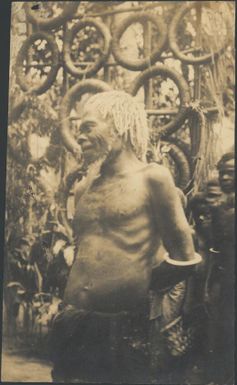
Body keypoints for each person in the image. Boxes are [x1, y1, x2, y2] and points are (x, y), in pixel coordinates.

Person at [50, 91, 201, 383]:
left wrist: (135, 290)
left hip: (123, 326)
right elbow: (87, 250)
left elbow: (186, 259)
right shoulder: (84, 186)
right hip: (72, 320)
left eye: (88, 126)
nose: (79, 135)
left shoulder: (152, 178)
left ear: (118, 126)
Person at [204, 152, 235, 384]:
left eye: (230, 173)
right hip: (225, 273)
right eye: (222, 172)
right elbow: (214, 244)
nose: (225, 177)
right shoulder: (219, 206)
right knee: (222, 322)